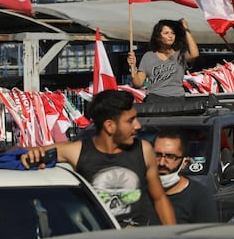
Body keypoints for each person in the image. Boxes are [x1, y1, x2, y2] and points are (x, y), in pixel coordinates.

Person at [21, 89, 176, 227]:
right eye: (130, 121)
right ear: (109, 126)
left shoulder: (143, 150)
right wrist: (31, 154)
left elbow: (160, 199)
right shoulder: (77, 151)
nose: (137, 126)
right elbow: (22, 153)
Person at [153, 130, 218, 224]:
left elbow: (207, 237)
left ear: (185, 162)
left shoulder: (199, 197)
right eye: (157, 155)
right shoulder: (140, 192)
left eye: (170, 157)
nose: (162, 163)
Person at [127, 18, 199, 102]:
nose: (170, 36)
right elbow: (138, 83)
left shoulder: (180, 55)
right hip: (155, 99)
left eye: (173, 33)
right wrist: (132, 66)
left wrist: (186, 29)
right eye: (166, 33)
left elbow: (194, 54)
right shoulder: (148, 56)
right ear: (158, 36)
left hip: (177, 98)